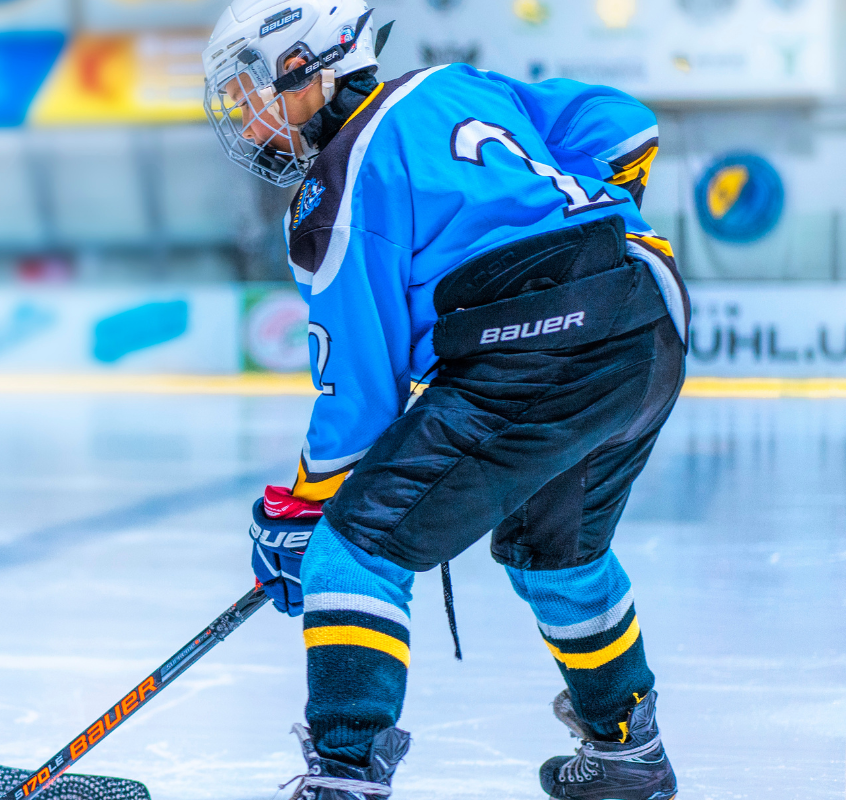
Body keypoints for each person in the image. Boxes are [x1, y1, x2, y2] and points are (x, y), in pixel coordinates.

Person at [202, 2, 686, 799]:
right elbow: (622, 125)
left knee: (355, 547)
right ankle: (629, 755)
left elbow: (359, 398)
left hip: (539, 342)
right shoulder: (456, 85)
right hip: (649, 314)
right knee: (557, 550)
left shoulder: (336, 188)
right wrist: (577, 223)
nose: (247, 120)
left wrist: (302, 512)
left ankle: (345, 776)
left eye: (251, 91)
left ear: (311, 67)